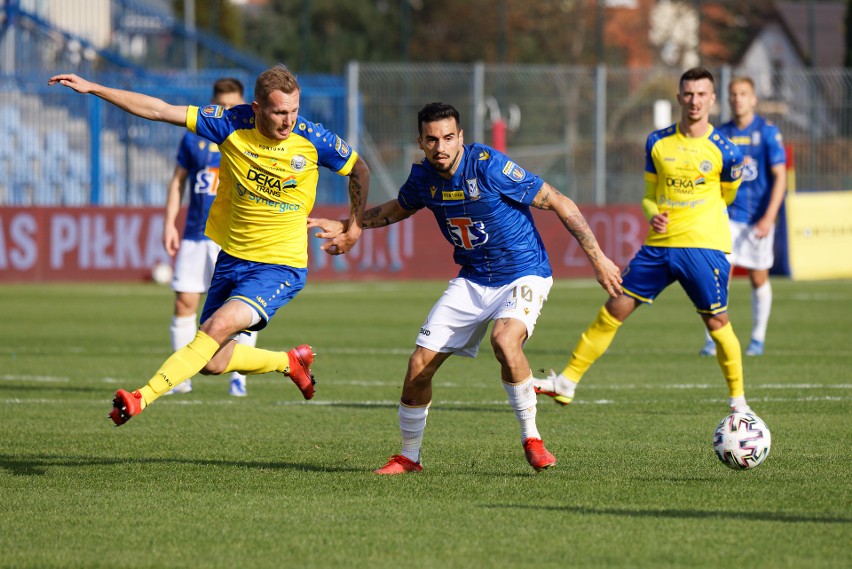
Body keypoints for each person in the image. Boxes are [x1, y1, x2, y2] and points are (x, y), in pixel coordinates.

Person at [308, 102, 622, 474]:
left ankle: (533, 439)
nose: (440, 147)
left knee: (505, 342)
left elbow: (557, 200)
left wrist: (598, 258)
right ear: (420, 142)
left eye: (448, 138)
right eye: (431, 139)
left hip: (523, 272)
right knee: (418, 365)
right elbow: (399, 208)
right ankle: (410, 457)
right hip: (473, 278)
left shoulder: (488, 165)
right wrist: (350, 225)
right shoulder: (424, 177)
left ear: (460, 137)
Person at [49, 65, 370, 425]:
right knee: (213, 362)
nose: (289, 121)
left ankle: (142, 397)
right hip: (232, 259)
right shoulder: (229, 123)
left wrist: (354, 227)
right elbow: (158, 109)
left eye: (294, 110)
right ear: (256, 108)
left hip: (281, 265)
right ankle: (288, 362)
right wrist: (94, 87)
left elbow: (360, 170)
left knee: (213, 329)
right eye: (280, 112)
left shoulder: (313, 139)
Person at [533, 67, 753, 414]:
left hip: (704, 246)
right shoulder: (657, 142)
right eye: (688, 94)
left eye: (701, 94)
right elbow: (649, 196)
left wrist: (694, 218)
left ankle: (739, 403)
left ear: (712, 99)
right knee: (615, 305)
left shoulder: (727, 152)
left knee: (716, 322)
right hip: (659, 246)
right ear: (679, 97)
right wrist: (654, 215)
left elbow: (726, 197)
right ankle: (567, 383)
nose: (694, 101)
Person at [161, 77, 257, 397]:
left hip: (232, 235)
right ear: (213, 104)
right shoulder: (194, 138)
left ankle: (239, 376)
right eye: (222, 105)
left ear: (244, 103)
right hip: (194, 233)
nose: (228, 110)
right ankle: (182, 378)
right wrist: (169, 223)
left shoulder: (251, 138)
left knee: (238, 307)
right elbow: (177, 182)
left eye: (233, 104)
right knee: (184, 302)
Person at [699, 75, 787, 358]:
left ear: (753, 99)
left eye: (743, 94)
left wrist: (769, 216)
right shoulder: (719, 133)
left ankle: (757, 339)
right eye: (733, 94)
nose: (738, 99)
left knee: (758, 278)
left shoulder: (768, 132)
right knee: (717, 276)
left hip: (758, 218)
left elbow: (780, 177)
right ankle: (713, 339)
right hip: (726, 216)